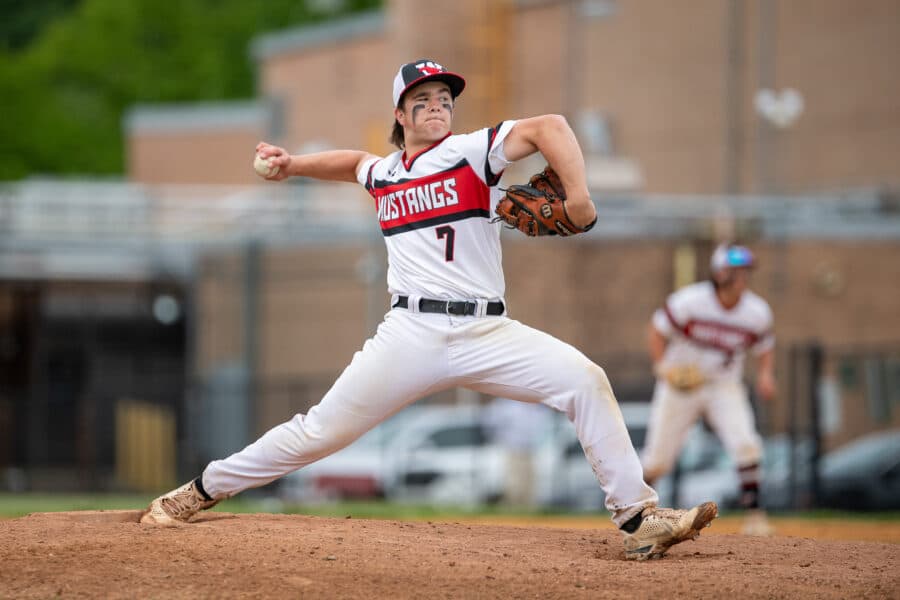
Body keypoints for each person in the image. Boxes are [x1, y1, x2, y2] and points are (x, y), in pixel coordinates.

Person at [140, 58, 718, 560]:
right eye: (423, 99)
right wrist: (293, 165)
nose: (438, 105)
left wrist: (580, 196)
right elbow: (353, 163)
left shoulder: (472, 152)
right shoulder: (385, 173)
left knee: (585, 380)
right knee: (318, 432)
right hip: (410, 332)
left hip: (487, 330)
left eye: (444, 98)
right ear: (401, 115)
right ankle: (199, 491)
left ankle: (638, 520)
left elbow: (551, 127)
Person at [641, 243, 776, 536]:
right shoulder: (691, 301)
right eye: (736, 271)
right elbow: (657, 329)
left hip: (722, 385)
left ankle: (755, 515)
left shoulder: (756, 311)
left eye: (745, 272)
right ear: (719, 273)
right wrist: (662, 367)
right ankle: (636, 511)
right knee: (657, 459)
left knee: (746, 444)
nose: (742, 277)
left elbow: (765, 345)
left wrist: (766, 374)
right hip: (680, 385)